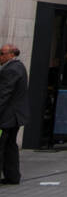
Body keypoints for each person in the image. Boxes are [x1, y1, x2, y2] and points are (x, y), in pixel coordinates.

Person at [0, 44, 29, 184]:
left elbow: (3, 94)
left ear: (11, 54)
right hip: (13, 117)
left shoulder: (11, 69)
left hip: (6, 118)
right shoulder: (18, 67)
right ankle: (13, 176)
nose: (0, 56)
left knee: (3, 145)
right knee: (10, 145)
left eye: (2, 53)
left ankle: (12, 176)